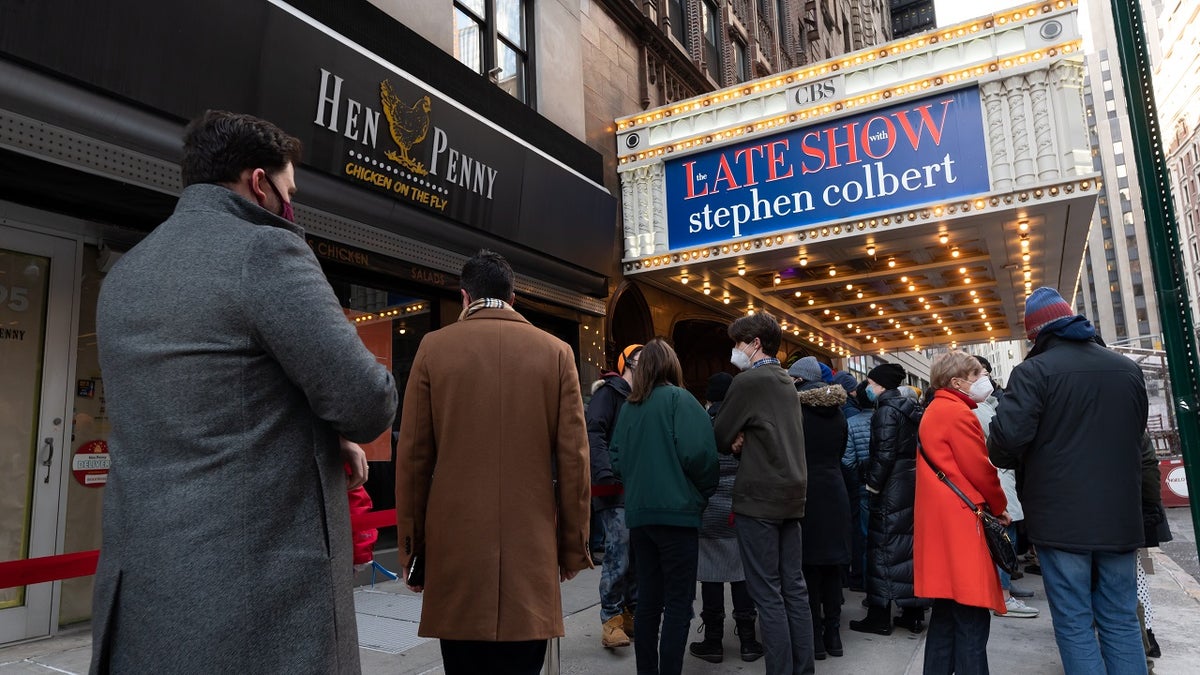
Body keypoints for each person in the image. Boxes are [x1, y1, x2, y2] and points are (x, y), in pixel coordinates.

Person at [90, 111, 398, 673]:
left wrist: (322, 439)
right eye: (289, 193)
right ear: (260, 183)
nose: (291, 207)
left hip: (144, 595)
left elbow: (208, 409)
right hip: (256, 607)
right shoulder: (265, 251)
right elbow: (365, 401)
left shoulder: (125, 276)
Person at [395, 250, 592, 675]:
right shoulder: (557, 353)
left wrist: (413, 553)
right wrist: (573, 550)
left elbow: (412, 461)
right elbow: (574, 463)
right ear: (514, 298)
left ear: (465, 297)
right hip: (531, 556)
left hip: (457, 558)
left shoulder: (433, 349)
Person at [988, 287, 1149, 675]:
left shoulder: (1033, 373)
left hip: (1060, 519)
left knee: (1074, 622)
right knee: (1121, 619)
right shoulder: (1127, 369)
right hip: (1120, 517)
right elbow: (1137, 437)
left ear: (1037, 334)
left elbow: (1002, 446)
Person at [610, 338, 719, 675]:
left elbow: (616, 460)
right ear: (672, 365)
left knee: (648, 603)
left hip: (641, 518)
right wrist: (698, 496)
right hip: (678, 517)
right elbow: (701, 456)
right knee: (677, 605)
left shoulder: (630, 406)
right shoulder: (681, 400)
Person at [714, 312, 815, 675]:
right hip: (792, 495)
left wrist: (738, 442)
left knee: (767, 594)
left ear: (755, 344)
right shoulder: (786, 381)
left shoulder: (749, 381)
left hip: (759, 498)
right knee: (794, 590)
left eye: (738, 343)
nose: (734, 350)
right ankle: (802, 669)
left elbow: (721, 436)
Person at [915, 351, 1011, 674]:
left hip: (942, 526)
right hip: (962, 526)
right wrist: (999, 507)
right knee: (971, 621)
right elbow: (981, 471)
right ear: (956, 382)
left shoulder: (935, 410)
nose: (982, 380)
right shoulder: (958, 414)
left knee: (945, 620)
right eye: (975, 375)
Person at [690, 372, 765, 664]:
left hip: (708, 510)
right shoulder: (743, 423)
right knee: (741, 574)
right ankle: (747, 640)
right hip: (739, 509)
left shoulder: (700, 423)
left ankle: (713, 641)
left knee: (709, 575)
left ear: (709, 397)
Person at [850, 362, 927, 636]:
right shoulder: (910, 409)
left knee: (882, 549)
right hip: (909, 483)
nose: (868, 388)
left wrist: (872, 484)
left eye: (870, 383)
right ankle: (913, 613)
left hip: (890, 488)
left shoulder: (885, 412)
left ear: (880, 385)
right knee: (907, 549)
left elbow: (884, 453)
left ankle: (879, 615)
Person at [790, 357, 851, 661]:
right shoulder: (839, 413)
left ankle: (814, 639)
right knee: (831, 566)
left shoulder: (795, 413)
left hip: (806, 493)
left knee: (808, 568)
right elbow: (840, 452)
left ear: (799, 380)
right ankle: (834, 636)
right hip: (835, 491)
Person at [970, 355, 1037, 619]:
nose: (984, 378)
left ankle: (1006, 585)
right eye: (978, 374)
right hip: (997, 475)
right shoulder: (976, 408)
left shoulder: (988, 403)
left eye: (985, 372)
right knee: (1002, 534)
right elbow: (1001, 437)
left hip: (1004, 476)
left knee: (1007, 534)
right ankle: (1003, 594)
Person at [589, 343, 643, 648]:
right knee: (618, 553)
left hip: (637, 489)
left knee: (634, 555)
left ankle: (629, 613)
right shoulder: (607, 394)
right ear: (627, 363)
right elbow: (594, 433)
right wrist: (604, 472)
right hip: (613, 488)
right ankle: (611, 618)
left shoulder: (642, 397)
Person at [842, 382, 874, 592]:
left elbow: (847, 459)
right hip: (890, 486)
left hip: (863, 486)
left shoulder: (851, 423)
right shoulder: (887, 418)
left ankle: (866, 583)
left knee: (865, 535)